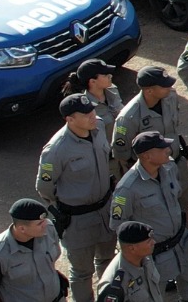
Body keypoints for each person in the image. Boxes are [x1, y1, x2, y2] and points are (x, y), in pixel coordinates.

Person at [109, 68, 188, 267]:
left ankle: (187, 246)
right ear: (149, 90)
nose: (170, 87)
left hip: (175, 164)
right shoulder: (128, 118)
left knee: (183, 206)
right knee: (155, 215)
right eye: (164, 85)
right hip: (149, 174)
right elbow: (121, 152)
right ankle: (159, 257)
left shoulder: (170, 97)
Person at [36, 95, 116, 302]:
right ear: (69, 119)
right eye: (86, 113)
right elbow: (44, 187)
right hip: (78, 220)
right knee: (82, 272)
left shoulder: (98, 127)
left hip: (105, 210)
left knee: (108, 261)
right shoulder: (56, 150)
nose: (93, 116)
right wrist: (65, 204)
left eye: (92, 110)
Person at [108, 132, 188, 302]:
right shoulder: (127, 189)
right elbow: (119, 226)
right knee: (155, 294)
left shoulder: (169, 167)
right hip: (156, 256)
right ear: (147, 155)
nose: (168, 150)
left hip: (181, 242)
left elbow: (176, 194)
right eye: (162, 148)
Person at [0, 200, 63, 302]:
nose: (46, 224)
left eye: (45, 220)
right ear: (22, 229)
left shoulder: (49, 229)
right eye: (39, 223)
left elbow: (55, 256)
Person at [90, 223, 160, 302]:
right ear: (132, 248)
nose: (153, 242)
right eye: (148, 241)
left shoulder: (146, 258)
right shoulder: (114, 286)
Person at [60, 60, 121, 134]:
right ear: (92, 81)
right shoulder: (84, 107)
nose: (110, 76)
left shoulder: (113, 89)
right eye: (105, 75)